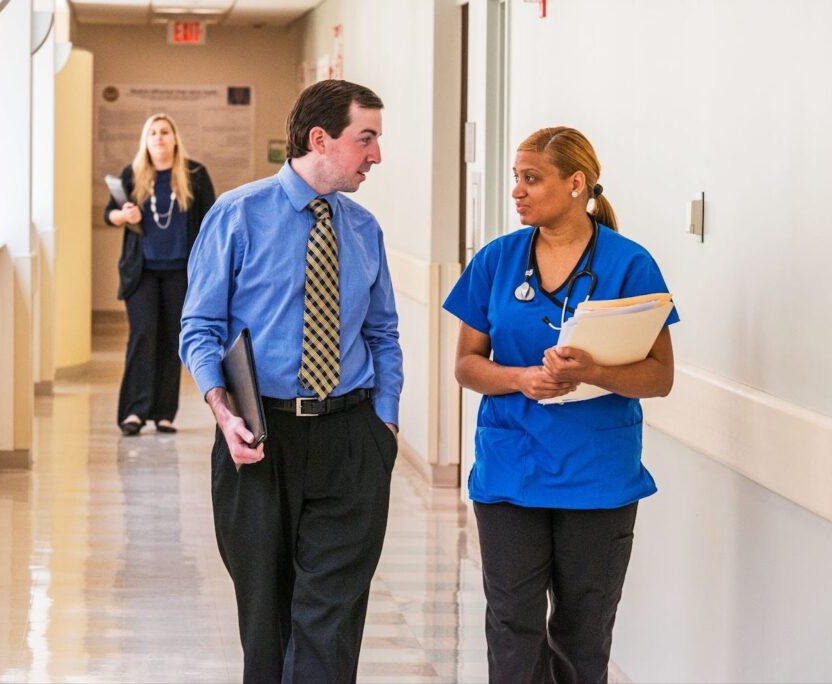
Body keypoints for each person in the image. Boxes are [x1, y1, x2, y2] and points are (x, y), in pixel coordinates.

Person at [179, 80, 403, 683]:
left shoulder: (364, 229)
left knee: (329, 621)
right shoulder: (237, 214)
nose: (376, 155)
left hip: (352, 438)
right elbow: (199, 326)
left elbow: (383, 333)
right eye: (367, 138)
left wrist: (385, 421)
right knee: (266, 621)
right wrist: (224, 414)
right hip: (259, 440)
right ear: (319, 138)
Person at [443, 126, 679, 683]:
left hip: (597, 478)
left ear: (576, 184)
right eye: (516, 179)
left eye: (532, 179)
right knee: (511, 627)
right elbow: (466, 364)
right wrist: (521, 378)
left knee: (582, 634)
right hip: (510, 470)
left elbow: (661, 376)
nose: (517, 191)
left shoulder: (629, 264)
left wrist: (594, 371)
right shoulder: (497, 260)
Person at [104, 113, 215, 436]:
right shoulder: (134, 174)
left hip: (181, 272)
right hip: (142, 273)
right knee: (142, 336)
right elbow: (108, 213)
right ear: (146, 139)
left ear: (175, 138)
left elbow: (211, 221)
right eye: (153, 132)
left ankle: (165, 413)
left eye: (165, 132)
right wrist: (122, 215)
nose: (159, 137)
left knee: (171, 339)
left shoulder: (194, 174)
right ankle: (134, 412)